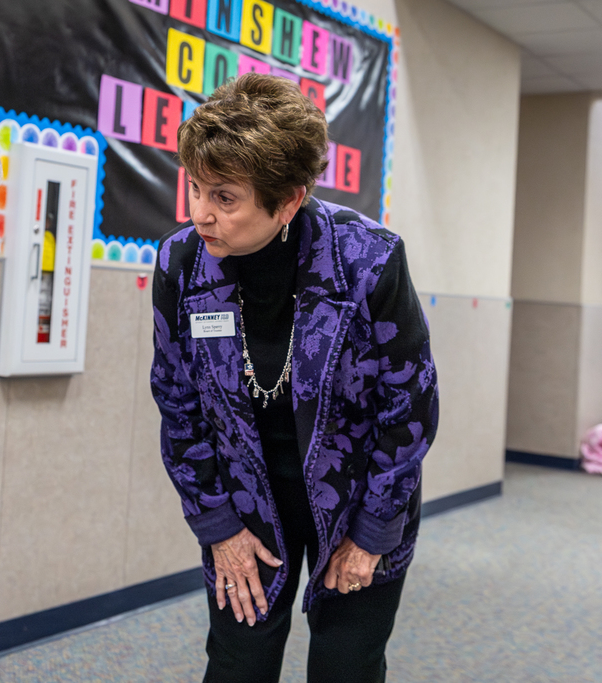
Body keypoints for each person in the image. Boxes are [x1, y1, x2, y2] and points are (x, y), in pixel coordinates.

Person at [150, 74, 438, 683]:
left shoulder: (369, 260)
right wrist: (217, 524)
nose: (200, 213)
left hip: (360, 496)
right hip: (247, 501)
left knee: (345, 667)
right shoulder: (181, 263)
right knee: (237, 664)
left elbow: (409, 407)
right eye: (195, 187)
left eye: (225, 198)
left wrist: (372, 532)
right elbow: (177, 402)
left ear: (288, 201)